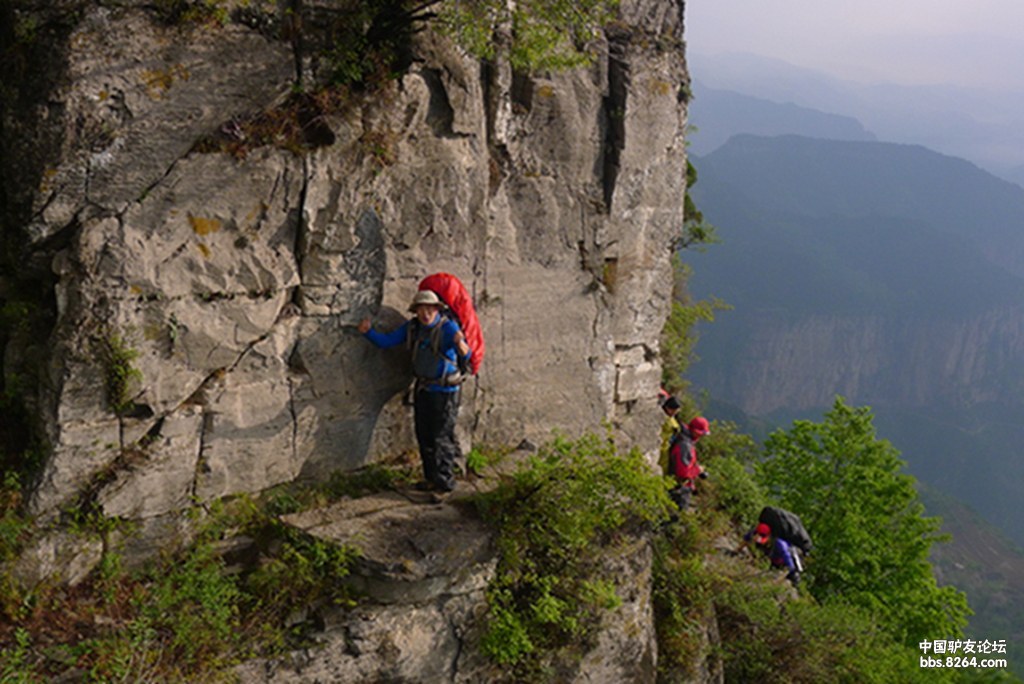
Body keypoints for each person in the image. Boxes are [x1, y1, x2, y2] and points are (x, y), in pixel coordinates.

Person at [359, 290, 471, 502]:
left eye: (429, 309)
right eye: (421, 310)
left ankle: (445, 484)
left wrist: (461, 344)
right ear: (416, 311)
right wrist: (368, 332)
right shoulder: (413, 327)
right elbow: (387, 342)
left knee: (441, 438)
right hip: (424, 390)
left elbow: (466, 353)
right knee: (424, 436)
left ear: (437, 309)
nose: (425, 314)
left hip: (445, 393)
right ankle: (431, 479)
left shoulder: (448, 328)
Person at [666, 415, 710, 511]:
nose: (701, 436)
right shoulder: (685, 445)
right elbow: (683, 473)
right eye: (700, 433)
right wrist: (698, 470)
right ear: (694, 430)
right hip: (678, 488)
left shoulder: (686, 439)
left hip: (678, 484)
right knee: (675, 517)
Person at [745, 522, 802, 587]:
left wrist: (792, 572)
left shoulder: (780, 545)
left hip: (784, 558)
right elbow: (746, 540)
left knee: (787, 574)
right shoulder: (754, 532)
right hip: (772, 554)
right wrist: (736, 551)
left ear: (769, 536)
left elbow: (789, 563)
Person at [658, 395, 682, 475]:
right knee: (662, 466)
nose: (675, 412)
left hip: (667, 446)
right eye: (674, 410)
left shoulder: (670, 418)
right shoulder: (665, 419)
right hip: (663, 446)